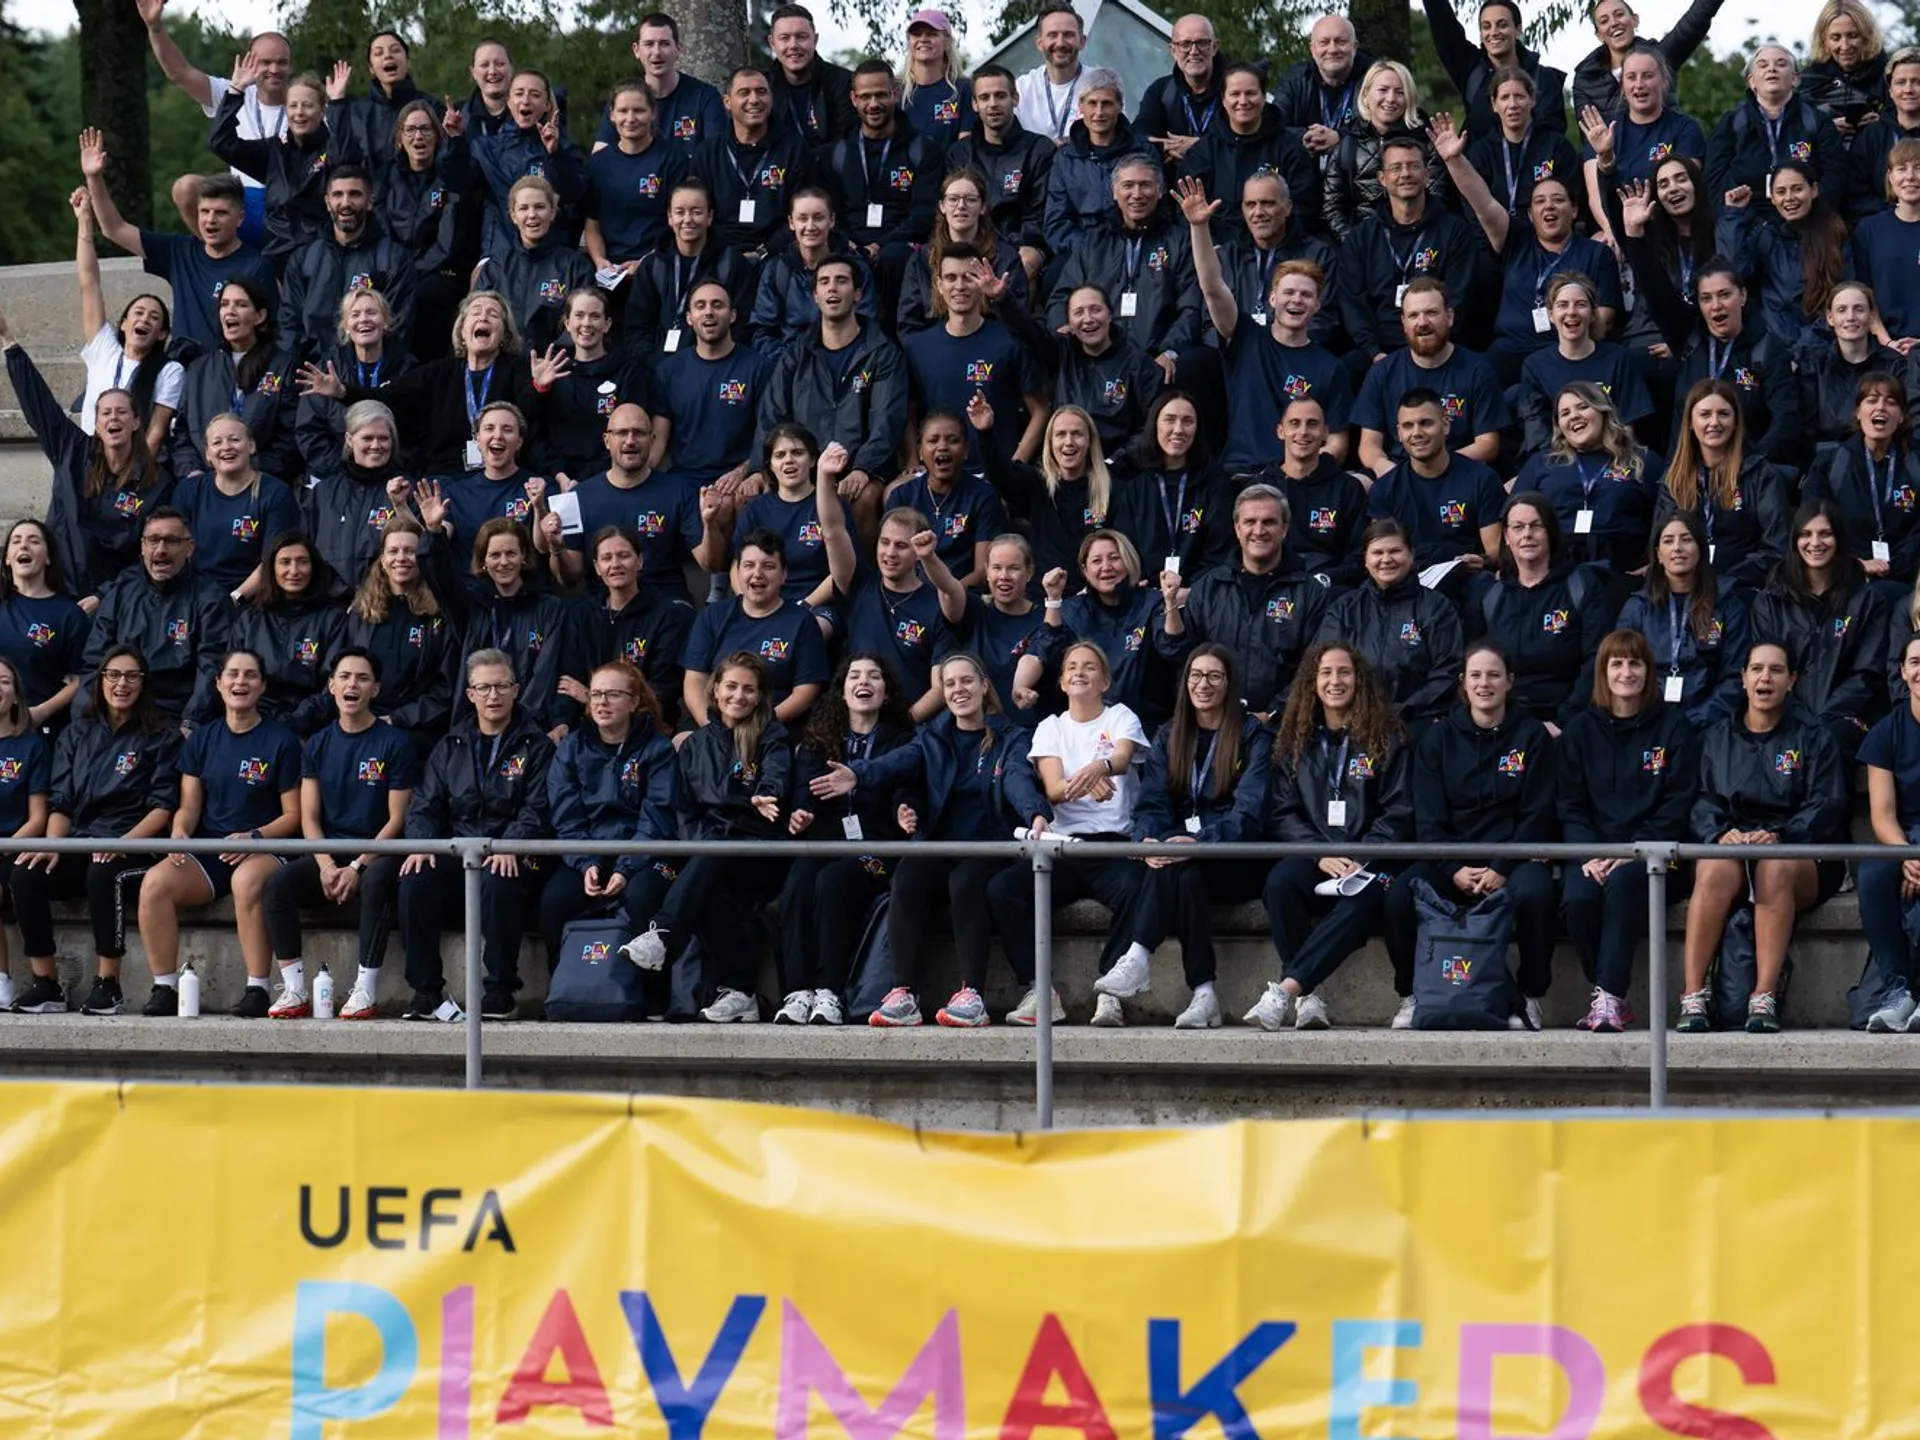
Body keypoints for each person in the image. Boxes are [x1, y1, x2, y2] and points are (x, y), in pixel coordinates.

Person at [810, 652, 1047, 1025]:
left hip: (991, 847)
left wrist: (1035, 811)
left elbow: (1018, 777)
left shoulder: (1009, 736)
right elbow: (899, 762)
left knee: (965, 881)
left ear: (984, 686)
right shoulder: (932, 737)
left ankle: (973, 996)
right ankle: (903, 993)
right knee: (908, 874)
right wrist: (860, 774)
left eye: (966, 681)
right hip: (942, 844)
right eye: (949, 684)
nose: (958, 690)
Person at [1383, 641, 1558, 1030]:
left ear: (1510, 682)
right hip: (1449, 862)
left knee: (1537, 894)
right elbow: (1428, 821)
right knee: (1398, 896)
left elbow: (1536, 815)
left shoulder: (1532, 736)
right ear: (1463, 683)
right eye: (1476, 675)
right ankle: (1411, 994)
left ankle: (1527, 997)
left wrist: (1501, 867)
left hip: (1513, 859)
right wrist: (1453, 868)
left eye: (1494, 675)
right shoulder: (1437, 739)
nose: (1485, 684)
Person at [986, 640, 1161, 1028]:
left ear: (1105, 680)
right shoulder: (1051, 726)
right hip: (1063, 846)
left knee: (1139, 888)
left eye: (1089, 667)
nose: (1079, 672)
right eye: (1071, 668)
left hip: (1114, 843)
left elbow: (1121, 756)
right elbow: (1052, 789)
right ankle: (1040, 990)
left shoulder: (1120, 716)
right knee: (1003, 889)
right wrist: (1091, 777)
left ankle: (1110, 992)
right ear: (1062, 682)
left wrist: (1100, 768)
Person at [1679, 640, 1847, 1033]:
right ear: (1743, 678)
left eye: (1775, 670)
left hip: (1800, 855)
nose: (1764, 678)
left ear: (1792, 680)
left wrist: (1781, 835)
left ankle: (1764, 995)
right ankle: (1692, 996)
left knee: (1773, 868)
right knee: (1714, 866)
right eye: (1756, 669)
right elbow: (1701, 800)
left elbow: (1826, 806)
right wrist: (1721, 833)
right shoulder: (1717, 737)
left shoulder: (1814, 736)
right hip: (1736, 850)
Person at [620, 652, 792, 1023]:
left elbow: (775, 776)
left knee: (709, 865)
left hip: (760, 853)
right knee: (708, 881)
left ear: (761, 696)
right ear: (715, 689)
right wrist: (706, 843)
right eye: (731, 686)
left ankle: (663, 934)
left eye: (749, 689)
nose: (739, 696)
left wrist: (765, 794)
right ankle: (740, 992)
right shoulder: (694, 745)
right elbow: (685, 811)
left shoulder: (772, 734)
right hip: (710, 852)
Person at [10, 646, 179, 1017]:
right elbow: (62, 802)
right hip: (80, 840)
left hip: (136, 846)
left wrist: (121, 844)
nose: (122, 684)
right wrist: (54, 845)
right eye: (113, 675)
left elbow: (162, 809)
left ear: (144, 683)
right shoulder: (77, 732)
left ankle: (109, 984)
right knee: (25, 872)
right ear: (100, 680)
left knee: (104, 873)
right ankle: (47, 984)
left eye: (132, 676)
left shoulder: (162, 734)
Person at [1249, 643, 1410, 1029]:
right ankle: (1311, 997)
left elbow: (1399, 812)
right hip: (1316, 855)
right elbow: (1283, 813)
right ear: (1312, 681)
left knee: (1366, 899)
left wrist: (1361, 857)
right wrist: (1319, 854)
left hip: (1369, 861)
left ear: (1359, 680)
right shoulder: (1294, 738)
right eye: (1325, 673)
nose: (1335, 681)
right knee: (1280, 884)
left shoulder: (1388, 736)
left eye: (1344, 672)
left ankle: (1288, 989)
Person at [136, 648, 301, 1016]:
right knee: (154, 883)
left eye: (250, 675)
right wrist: (179, 831)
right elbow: (190, 806)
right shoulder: (201, 739)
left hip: (266, 847)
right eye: (233, 674)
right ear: (218, 683)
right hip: (212, 849)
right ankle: (164, 986)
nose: (240, 682)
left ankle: (257, 988)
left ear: (262, 686)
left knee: (246, 881)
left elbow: (294, 816)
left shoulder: (282, 741)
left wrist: (254, 837)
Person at [396, 649, 553, 1021]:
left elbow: (538, 808)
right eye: (483, 687)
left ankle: (500, 990)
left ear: (516, 690)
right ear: (470, 695)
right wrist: (421, 843)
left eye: (501, 686)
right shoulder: (450, 745)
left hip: (514, 853)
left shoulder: (538, 745)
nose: (493, 695)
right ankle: (426, 991)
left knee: (501, 877)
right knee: (414, 878)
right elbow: (424, 805)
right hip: (461, 853)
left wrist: (509, 844)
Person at [1123, 643, 1271, 1029]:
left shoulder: (1253, 735)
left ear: (1229, 683)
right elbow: (1150, 803)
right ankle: (1203, 993)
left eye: (1214, 676)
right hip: (1180, 858)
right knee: (1181, 874)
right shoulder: (1170, 734)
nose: (1203, 684)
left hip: (1235, 860)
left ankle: (1139, 955)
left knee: (1183, 870)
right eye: (1195, 675)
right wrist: (1149, 841)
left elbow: (1250, 814)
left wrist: (1202, 841)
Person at [1558, 628, 1700, 1031]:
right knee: (1580, 899)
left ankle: (1610, 997)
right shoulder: (1580, 731)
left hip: (1659, 855)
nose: (1626, 672)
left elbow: (1678, 804)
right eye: (1616, 663)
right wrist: (1589, 854)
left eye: (1634, 663)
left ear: (1648, 670)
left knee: (1624, 886)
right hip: (1593, 855)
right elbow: (1570, 805)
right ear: (1603, 671)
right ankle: (1606, 994)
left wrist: (1630, 853)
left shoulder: (1675, 728)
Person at [261, 647, 415, 1019]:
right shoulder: (317, 743)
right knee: (278, 885)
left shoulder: (395, 743)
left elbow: (396, 820)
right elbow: (309, 817)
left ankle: (365, 988)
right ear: (331, 685)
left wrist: (357, 867)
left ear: (375, 689)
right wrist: (328, 866)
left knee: (377, 883)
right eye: (344, 677)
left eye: (362, 678)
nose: (352, 684)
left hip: (377, 854)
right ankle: (295, 989)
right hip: (330, 853)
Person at [777, 654, 915, 1024]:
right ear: (842, 691)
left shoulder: (902, 739)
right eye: (854, 675)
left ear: (886, 694)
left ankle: (829, 991)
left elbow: (908, 783)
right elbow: (804, 788)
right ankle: (797, 991)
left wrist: (905, 808)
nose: (863, 681)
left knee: (833, 881)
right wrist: (801, 812)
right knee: (798, 881)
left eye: (873, 675)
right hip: (827, 842)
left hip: (877, 850)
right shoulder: (820, 739)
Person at [1432, 114, 1622, 383]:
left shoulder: (1596, 253)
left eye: (1558, 200)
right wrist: (1454, 160)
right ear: (1531, 215)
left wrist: (1569, 341)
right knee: (1467, 381)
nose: (1549, 207)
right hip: (1510, 352)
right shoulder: (1516, 239)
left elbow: (1604, 319)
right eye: (1540, 201)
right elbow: (1482, 202)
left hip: (1567, 353)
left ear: (1574, 210)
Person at [537, 659, 679, 1018]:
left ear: (634, 701)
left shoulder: (657, 748)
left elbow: (658, 817)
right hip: (588, 853)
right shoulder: (571, 748)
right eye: (596, 694)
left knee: (643, 896)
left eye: (613, 695)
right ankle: (567, 988)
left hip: (644, 853)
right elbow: (567, 817)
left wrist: (627, 868)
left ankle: (650, 997)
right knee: (555, 900)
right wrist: (586, 864)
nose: (602, 703)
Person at [0, 306, 171, 600]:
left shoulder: (157, 483)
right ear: (97, 422)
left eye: (121, 412)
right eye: (105, 413)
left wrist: (103, 597)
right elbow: (40, 406)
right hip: (53, 591)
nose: (113, 418)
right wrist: (8, 341)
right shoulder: (72, 450)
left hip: (110, 601)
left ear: (136, 421)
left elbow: (148, 555)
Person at [1180, 180, 1350, 471]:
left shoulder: (1331, 367)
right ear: (1272, 298)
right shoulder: (1246, 337)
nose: (1296, 300)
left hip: (1296, 479)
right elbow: (1213, 288)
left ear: (1317, 305)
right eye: (1288, 293)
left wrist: (1304, 473)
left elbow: (1337, 442)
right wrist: (1199, 227)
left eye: (1306, 294)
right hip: (1240, 474)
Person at [299, 291, 541, 478]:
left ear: (504, 334)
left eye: (493, 314)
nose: (483, 317)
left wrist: (540, 387)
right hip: (446, 478)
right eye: (475, 312)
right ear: (462, 331)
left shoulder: (516, 368)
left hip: (499, 476)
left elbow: (527, 411)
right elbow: (389, 398)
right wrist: (342, 391)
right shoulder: (438, 372)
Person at [79, 129, 277, 356]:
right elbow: (114, 229)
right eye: (204, 212)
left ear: (240, 217)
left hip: (229, 373)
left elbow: (269, 330)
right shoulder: (179, 250)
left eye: (221, 213)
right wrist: (94, 177)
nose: (210, 220)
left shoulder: (256, 265)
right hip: (179, 371)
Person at [1619, 222, 1801, 468]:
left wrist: (1750, 465)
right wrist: (1635, 236)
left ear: (1743, 296)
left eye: (1724, 295)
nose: (1716, 306)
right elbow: (1656, 291)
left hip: (1746, 473)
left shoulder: (1767, 349)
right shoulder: (1688, 337)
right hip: (1687, 474)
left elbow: (1786, 420)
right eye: (1706, 298)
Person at [820, 442, 968, 719]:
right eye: (884, 543)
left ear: (918, 552)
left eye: (901, 546)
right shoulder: (859, 583)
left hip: (908, 726)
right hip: (853, 720)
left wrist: (902, 726)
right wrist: (824, 476)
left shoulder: (936, 605)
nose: (889, 553)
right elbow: (832, 531)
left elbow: (938, 688)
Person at [755, 257, 908, 516]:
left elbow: (886, 420)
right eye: (824, 282)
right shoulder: (796, 354)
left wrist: (863, 468)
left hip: (861, 468)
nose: (832, 288)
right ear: (815, 296)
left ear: (858, 293)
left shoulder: (883, 353)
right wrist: (761, 468)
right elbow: (773, 415)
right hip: (804, 468)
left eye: (842, 281)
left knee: (864, 497)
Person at [1159, 484, 1327, 719]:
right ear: (1237, 528)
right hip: (1215, 724)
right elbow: (1180, 656)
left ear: (1284, 529)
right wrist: (1170, 606)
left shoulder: (1310, 593)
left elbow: (1314, 668)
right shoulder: (1209, 587)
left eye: (1269, 522)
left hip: (1281, 727)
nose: (1259, 531)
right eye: (1250, 522)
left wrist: (1271, 713)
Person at [1749, 500, 1889, 766]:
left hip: (1844, 717)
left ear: (1839, 539)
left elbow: (1866, 675)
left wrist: (1822, 717)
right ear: (1794, 540)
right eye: (1806, 534)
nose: (1815, 542)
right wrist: (1798, 717)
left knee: (1827, 741)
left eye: (1825, 533)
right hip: (1784, 713)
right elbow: (1767, 668)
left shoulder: (1867, 600)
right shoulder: (1770, 601)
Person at [136, 0, 290, 239]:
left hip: (289, 202)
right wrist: (155, 27)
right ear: (250, 62)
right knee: (186, 188)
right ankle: (217, 257)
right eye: (265, 62)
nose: (274, 69)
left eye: (281, 62)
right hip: (242, 199)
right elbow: (179, 73)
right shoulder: (232, 91)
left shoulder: (305, 103)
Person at [1336, 137, 1494, 364]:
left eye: (1413, 166)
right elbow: (1353, 304)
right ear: (1382, 178)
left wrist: (1427, 352)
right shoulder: (1361, 238)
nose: (1405, 174)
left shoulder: (1454, 232)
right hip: (1378, 354)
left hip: (1437, 349)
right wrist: (1373, 352)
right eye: (1395, 167)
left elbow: (1458, 300)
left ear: (1427, 174)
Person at [428, 515, 584, 741]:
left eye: (511, 553)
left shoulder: (549, 608)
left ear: (523, 556)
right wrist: (433, 533)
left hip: (531, 730)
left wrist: (527, 723)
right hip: (474, 728)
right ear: (483, 561)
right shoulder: (470, 605)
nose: (503, 562)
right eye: (494, 555)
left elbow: (549, 673)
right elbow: (439, 576)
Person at [1468, 493, 1612, 733]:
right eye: (1518, 527)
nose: (1527, 535)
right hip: (1503, 723)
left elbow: (1596, 660)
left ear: (1551, 533)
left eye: (1536, 526)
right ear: (1506, 537)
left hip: (1567, 722)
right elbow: (1474, 664)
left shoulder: (1582, 587)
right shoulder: (1489, 595)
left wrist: (1563, 722)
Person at [81, 507, 230, 726]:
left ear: (190, 548)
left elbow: (211, 667)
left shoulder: (210, 598)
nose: (161, 549)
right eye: (153, 540)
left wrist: (191, 722)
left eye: (171, 541)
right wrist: (88, 717)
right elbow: (94, 662)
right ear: (142, 547)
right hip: (121, 712)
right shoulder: (120, 593)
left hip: (177, 716)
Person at [188, 531, 345, 735]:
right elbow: (232, 677)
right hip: (251, 724)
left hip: (310, 730)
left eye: (302, 562)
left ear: (314, 567)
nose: (294, 570)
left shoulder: (333, 619)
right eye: (285, 562)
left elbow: (333, 686)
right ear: (271, 568)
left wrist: (294, 723)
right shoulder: (250, 619)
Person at [901, 249, 1048, 467]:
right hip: (936, 476)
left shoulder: (1009, 341)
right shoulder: (915, 347)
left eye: (969, 277)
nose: (959, 286)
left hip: (995, 478)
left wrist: (1015, 469)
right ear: (939, 286)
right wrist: (913, 462)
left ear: (981, 283)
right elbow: (908, 414)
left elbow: (1040, 411)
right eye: (951, 278)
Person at [821, 60, 941, 320]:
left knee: (894, 258)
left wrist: (880, 245)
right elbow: (829, 211)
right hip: (848, 243)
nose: (873, 104)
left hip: (898, 246)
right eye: (865, 96)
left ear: (895, 94)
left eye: (881, 95)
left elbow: (924, 213)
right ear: (853, 99)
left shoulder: (921, 149)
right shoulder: (836, 153)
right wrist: (846, 242)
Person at [1315, 518, 1464, 725]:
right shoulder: (1344, 609)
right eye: (1377, 553)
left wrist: (1401, 712)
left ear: (1411, 555)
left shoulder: (1436, 607)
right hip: (1353, 721)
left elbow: (1448, 671)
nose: (1386, 559)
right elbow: (1323, 665)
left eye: (1395, 551)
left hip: (1417, 723)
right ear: (1365, 560)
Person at [1352, 279, 1509, 474]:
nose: (1422, 323)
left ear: (1449, 317)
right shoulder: (1382, 372)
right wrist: (1395, 473)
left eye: (1431, 313)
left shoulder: (1478, 370)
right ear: (1403, 323)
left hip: (1458, 472)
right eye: (1413, 315)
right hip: (1397, 472)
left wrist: (1432, 468)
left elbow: (1488, 444)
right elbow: (1369, 447)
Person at [208, 57, 357, 262]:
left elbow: (349, 159)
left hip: (323, 256)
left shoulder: (334, 149)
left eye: (307, 106)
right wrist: (236, 90)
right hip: (276, 255)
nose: (299, 113)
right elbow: (221, 143)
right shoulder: (274, 150)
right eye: (293, 106)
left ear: (323, 110)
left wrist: (338, 104)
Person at [1652, 378, 1792, 595]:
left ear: (1736, 422)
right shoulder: (1673, 480)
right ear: (1690, 422)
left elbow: (1776, 549)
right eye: (1705, 414)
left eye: (1723, 414)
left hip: (1743, 590)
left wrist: (1728, 579)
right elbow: (1662, 545)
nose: (1714, 422)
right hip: (1685, 589)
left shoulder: (1761, 474)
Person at [69, 189, 181, 455]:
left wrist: (134, 474)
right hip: (89, 455)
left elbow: (156, 432)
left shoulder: (170, 371)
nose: (144, 319)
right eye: (138, 313)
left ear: (162, 333)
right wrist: (84, 220)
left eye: (154, 317)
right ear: (123, 323)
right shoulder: (104, 349)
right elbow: (89, 283)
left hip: (132, 462)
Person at [1511, 381, 1661, 575]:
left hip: (1624, 573)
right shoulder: (1541, 463)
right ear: (1559, 425)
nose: (1574, 415)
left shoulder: (1643, 460)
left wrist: (1655, 565)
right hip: (1556, 573)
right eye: (1565, 413)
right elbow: (1513, 518)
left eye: (1583, 407)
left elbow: (1669, 516)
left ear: (1603, 412)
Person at [1616, 510, 1750, 725]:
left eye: (1686, 539)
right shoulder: (1637, 608)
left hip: (1710, 725)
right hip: (1648, 724)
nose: (1677, 548)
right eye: (1668, 541)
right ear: (1658, 554)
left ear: (1700, 549)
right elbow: (1622, 671)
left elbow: (1735, 677)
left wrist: (1695, 720)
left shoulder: (1727, 605)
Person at [553, 405, 701, 597]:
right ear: (607, 440)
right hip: (603, 608)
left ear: (652, 439)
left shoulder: (679, 490)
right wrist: (556, 548)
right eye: (622, 433)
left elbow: (710, 563)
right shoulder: (577, 496)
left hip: (666, 604)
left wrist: (712, 523)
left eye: (639, 433)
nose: (630, 441)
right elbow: (569, 578)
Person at [682, 529, 828, 723]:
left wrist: (759, 726)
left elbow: (806, 690)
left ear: (784, 574)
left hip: (774, 730)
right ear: (738, 571)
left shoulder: (802, 622)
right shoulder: (712, 616)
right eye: (749, 565)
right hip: (716, 726)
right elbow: (695, 679)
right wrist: (709, 727)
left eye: (768, 566)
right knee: (679, 741)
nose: (757, 574)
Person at [279, 164, 417, 364]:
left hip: (367, 375)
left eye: (354, 195)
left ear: (370, 201)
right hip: (311, 375)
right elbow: (289, 326)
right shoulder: (303, 259)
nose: (345, 203)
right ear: (327, 202)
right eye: (337, 195)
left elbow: (396, 328)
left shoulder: (393, 259)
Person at [341, 519, 458, 756]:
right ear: (382, 560)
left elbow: (445, 689)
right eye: (393, 551)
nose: (401, 558)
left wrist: (396, 719)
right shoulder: (361, 612)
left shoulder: (440, 614)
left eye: (410, 551)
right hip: (361, 722)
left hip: (416, 732)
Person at [1007, 281, 1162, 459]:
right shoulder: (1061, 352)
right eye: (1078, 313)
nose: (1088, 319)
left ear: (1110, 315)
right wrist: (1003, 299)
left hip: (1117, 471)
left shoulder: (1139, 364)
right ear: (1070, 323)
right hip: (1065, 466)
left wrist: (1116, 462)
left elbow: (1152, 424)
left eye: (1096, 310)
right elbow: (1029, 333)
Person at [1364, 389, 1507, 580]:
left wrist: (1483, 561)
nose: (1416, 433)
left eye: (1426, 423)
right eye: (1408, 426)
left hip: (1467, 581)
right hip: (1411, 583)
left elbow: (1495, 554)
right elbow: (1381, 555)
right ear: (1399, 433)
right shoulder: (1385, 489)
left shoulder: (1482, 479)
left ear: (1445, 425)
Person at [167, 277, 299, 482]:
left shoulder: (284, 365)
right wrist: (193, 472)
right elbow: (181, 433)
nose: (230, 311)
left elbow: (290, 438)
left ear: (260, 316)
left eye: (241, 304)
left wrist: (242, 471)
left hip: (260, 483)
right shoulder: (198, 369)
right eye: (224, 304)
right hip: (204, 484)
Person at [1804, 370, 1920, 600]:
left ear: (1901, 417)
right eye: (1872, 400)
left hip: (1907, 580)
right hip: (1843, 575)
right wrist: (1854, 563)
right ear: (1857, 412)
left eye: (1891, 402)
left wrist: (1895, 565)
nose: (1881, 408)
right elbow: (1813, 521)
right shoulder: (1831, 463)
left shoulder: (1915, 464)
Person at [649, 279, 773, 493]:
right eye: (700, 306)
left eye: (717, 305)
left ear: (732, 315)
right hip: (682, 480)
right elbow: (658, 442)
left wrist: (746, 470)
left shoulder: (759, 367)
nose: (709, 312)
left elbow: (769, 432)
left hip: (737, 480)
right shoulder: (669, 371)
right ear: (689, 318)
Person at [973, 398, 1116, 579]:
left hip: (1093, 592)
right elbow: (999, 475)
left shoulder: (1110, 487)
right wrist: (985, 433)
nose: (1069, 441)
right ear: (1050, 442)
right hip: (1045, 592)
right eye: (1061, 434)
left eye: (1077, 434)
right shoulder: (1035, 482)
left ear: (1090, 441)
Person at [1715, 159, 1851, 348]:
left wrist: (1803, 351)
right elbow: (1733, 270)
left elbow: (1846, 298)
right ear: (1772, 198)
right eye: (1781, 192)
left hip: (1822, 350)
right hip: (1776, 351)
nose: (1789, 198)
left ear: (1814, 190)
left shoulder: (1835, 236)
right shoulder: (1766, 235)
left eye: (1797, 189)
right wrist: (1733, 214)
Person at [1856, 631, 1920, 1030]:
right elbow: (1881, 814)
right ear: (1902, 671)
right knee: (1875, 872)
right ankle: (1898, 988)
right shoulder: (1886, 731)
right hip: (1907, 839)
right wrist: (1908, 856)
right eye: (1916, 662)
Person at [1514, 276, 1655, 455]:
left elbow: (1627, 426)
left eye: (1580, 304)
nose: (1571, 312)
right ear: (1551, 315)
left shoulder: (1619, 358)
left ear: (1593, 314)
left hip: (1611, 456)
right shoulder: (1535, 366)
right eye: (1562, 305)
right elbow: (1537, 433)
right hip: (1559, 460)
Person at [375, 100, 473, 359]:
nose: (418, 136)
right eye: (411, 129)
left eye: (426, 129)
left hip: (440, 270)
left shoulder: (449, 174)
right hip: (395, 269)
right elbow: (381, 230)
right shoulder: (386, 176)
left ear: (437, 135)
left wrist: (457, 140)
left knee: (422, 299)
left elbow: (449, 238)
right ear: (400, 137)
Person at [1178, 62, 1319, 240]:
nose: (1243, 101)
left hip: (1277, 252)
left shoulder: (1290, 148)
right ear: (1223, 99)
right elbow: (1186, 214)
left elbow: (1304, 210)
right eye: (1235, 94)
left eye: (1250, 93)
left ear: (1263, 97)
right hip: (1217, 254)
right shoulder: (1202, 153)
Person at [571, 526, 694, 725]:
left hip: (649, 727)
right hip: (589, 726)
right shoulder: (582, 615)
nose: (615, 564)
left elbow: (663, 691)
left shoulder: (669, 615)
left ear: (640, 561)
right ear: (596, 567)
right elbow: (568, 683)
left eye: (624, 555)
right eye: (606, 558)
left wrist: (589, 697)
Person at [621, 180, 759, 358]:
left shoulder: (733, 264)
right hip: (657, 368)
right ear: (670, 218)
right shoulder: (652, 266)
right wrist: (652, 367)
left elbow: (743, 326)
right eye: (680, 212)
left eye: (696, 212)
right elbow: (637, 327)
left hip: (715, 364)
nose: (687, 220)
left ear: (710, 217)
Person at [1044, 528, 1168, 724]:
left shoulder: (1152, 602)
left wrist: (1170, 603)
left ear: (1128, 561)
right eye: (1096, 561)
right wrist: (1053, 599)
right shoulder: (1072, 610)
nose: (1106, 566)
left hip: (1147, 726)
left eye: (1114, 558)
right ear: (1085, 570)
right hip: (1088, 727)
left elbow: (1173, 648)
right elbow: (1048, 656)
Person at [170, 414, 303, 596]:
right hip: (194, 597)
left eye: (234, 439)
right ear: (208, 454)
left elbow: (272, 560)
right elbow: (174, 550)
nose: (226, 447)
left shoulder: (276, 494)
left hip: (249, 600)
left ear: (251, 446)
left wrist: (237, 599)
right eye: (217, 443)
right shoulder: (188, 491)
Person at [1705, 47, 1845, 218]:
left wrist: (1811, 219)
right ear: (1751, 81)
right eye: (1762, 65)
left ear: (1795, 78)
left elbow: (1835, 176)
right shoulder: (1730, 124)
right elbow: (1714, 180)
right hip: (1747, 224)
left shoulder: (1817, 121)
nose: (1772, 69)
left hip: (1807, 222)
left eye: (1781, 64)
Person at [692, 66, 817, 255]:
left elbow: (803, 214)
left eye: (761, 92)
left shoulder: (795, 149)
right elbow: (697, 213)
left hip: (780, 254)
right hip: (718, 255)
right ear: (727, 101)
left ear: (771, 98)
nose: (754, 100)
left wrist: (764, 252)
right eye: (744, 93)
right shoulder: (707, 153)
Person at [948, 65, 1053, 288]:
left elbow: (1039, 216)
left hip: (1022, 244)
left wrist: (1004, 247)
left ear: (1015, 98)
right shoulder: (960, 153)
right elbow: (954, 210)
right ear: (975, 104)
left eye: (1000, 96)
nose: (993, 104)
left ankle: (1014, 322)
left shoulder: (1039, 149)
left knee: (1025, 261)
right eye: (984, 98)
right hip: (971, 241)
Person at [292, 289, 417, 476]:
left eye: (372, 312)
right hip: (338, 476)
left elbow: (417, 431)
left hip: (395, 475)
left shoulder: (408, 369)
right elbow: (309, 432)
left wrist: (391, 469)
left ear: (386, 322)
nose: (364, 319)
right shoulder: (326, 370)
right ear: (346, 326)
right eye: (355, 314)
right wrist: (346, 473)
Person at [1578, 49, 1706, 229]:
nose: (1639, 84)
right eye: (1631, 77)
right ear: (1622, 86)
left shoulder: (1685, 128)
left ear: (1664, 81)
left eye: (1647, 76)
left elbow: (1685, 190)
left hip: (1671, 229)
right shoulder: (1604, 133)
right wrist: (1612, 233)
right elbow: (1597, 199)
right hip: (1619, 231)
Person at [1110, 392, 1233, 579]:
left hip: (1201, 595)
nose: (1178, 429)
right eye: (1169, 420)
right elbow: (1124, 550)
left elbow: (1220, 552)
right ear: (1155, 426)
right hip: (1145, 597)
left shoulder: (1216, 485)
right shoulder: (1133, 490)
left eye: (1187, 421)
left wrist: (1192, 591)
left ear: (1197, 429)